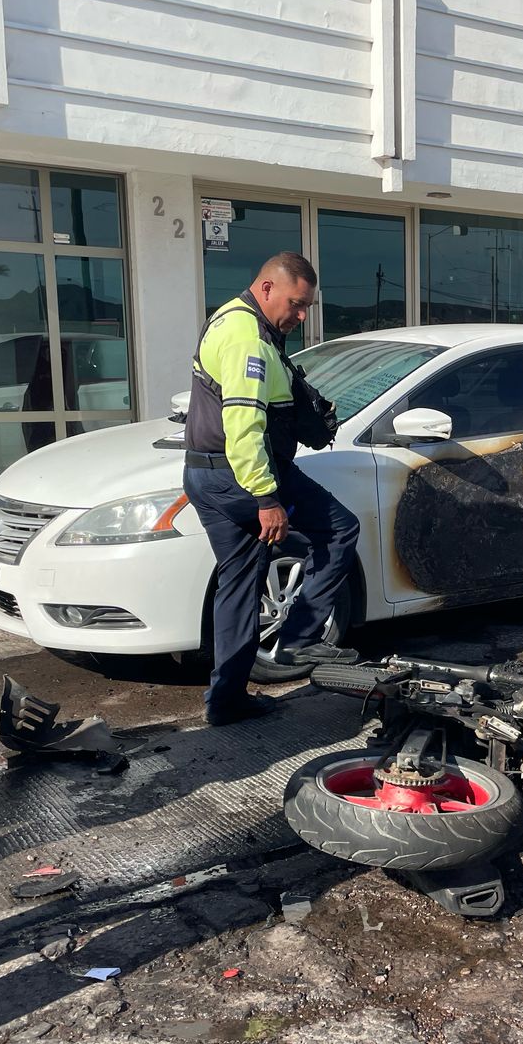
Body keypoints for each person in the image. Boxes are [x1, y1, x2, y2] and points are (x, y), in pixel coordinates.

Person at [182, 252, 360, 725]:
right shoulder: (248, 340)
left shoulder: (229, 318)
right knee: (339, 530)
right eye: (296, 304)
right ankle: (300, 639)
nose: (301, 317)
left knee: (239, 583)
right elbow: (242, 428)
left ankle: (226, 702)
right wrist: (266, 498)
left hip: (205, 474)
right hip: (240, 477)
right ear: (266, 289)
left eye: (307, 308)